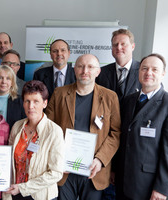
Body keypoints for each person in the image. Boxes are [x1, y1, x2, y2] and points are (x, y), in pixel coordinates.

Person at [45, 54, 121, 200]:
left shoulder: (110, 97)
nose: (85, 70)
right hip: (64, 170)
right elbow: (49, 128)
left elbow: (115, 133)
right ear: (74, 69)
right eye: (80, 66)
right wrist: (57, 159)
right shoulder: (59, 93)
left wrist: (100, 160)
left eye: (90, 67)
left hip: (94, 170)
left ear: (98, 71)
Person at [115, 53, 168, 200]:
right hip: (122, 181)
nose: (148, 73)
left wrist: (162, 189)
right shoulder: (128, 101)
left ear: (163, 74)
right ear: (138, 72)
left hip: (148, 187)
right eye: (144, 68)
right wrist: (114, 170)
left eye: (154, 69)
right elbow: (121, 138)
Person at [3, 80, 65, 200]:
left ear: (45, 103)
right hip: (15, 193)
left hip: (40, 195)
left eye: (36, 101)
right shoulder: (17, 126)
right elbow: (8, 162)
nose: (31, 106)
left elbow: (56, 173)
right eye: (27, 101)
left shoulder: (54, 131)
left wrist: (24, 188)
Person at [96, 29, 141, 103]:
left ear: (133, 47)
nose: (119, 47)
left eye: (123, 44)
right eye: (115, 44)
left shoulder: (144, 71)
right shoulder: (101, 73)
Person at [0, 65, 26, 130]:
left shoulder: (20, 101)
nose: (4, 82)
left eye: (8, 78)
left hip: (12, 138)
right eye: (0, 78)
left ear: (12, 82)